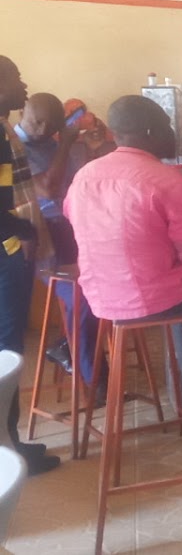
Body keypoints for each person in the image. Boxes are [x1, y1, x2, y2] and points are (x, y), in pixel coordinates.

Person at [64, 95, 182, 430]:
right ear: (150, 131)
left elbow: (83, 220)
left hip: (103, 298)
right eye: (168, 127)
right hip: (159, 295)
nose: (173, 134)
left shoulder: (85, 175)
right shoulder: (168, 180)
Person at [14, 92, 104, 386]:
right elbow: (49, 188)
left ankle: (67, 349)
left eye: (49, 125)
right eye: (36, 122)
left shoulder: (53, 145)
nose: (41, 130)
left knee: (100, 290)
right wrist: (65, 143)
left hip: (70, 230)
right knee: (82, 297)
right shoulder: (14, 147)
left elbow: (81, 185)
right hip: (38, 235)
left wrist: (90, 149)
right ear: (22, 114)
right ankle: (94, 381)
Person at [0, 55, 61, 475]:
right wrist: (19, 234)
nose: (23, 86)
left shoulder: (4, 128)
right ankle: (8, 449)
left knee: (8, 348)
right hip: (6, 251)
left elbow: (7, 190)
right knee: (6, 350)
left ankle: (11, 442)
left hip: (11, 247)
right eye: (15, 79)